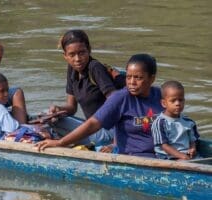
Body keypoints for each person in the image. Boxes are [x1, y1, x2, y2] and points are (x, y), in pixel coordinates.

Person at [36, 54, 164, 158]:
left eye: (138, 78)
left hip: (163, 155)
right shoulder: (120, 98)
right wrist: (60, 143)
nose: (132, 82)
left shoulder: (161, 96)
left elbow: (176, 122)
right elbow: (92, 124)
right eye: (129, 77)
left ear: (151, 79)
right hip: (134, 157)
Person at [49, 29, 125, 151]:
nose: (77, 59)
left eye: (82, 53)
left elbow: (117, 104)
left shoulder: (95, 68)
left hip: (107, 132)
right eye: (72, 55)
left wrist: (115, 144)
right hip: (92, 127)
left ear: (89, 50)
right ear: (65, 56)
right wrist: (58, 109)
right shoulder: (72, 69)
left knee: (54, 123)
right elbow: (72, 108)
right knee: (48, 116)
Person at [151, 80, 199, 160]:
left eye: (180, 100)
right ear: (164, 103)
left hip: (186, 155)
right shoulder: (160, 123)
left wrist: (192, 148)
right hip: (168, 157)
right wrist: (182, 156)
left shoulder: (188, 121)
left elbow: (192, 140)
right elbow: (164, 146)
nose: (177, 104)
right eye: (173, 101)